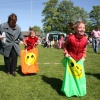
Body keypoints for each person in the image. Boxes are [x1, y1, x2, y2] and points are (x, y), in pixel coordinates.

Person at [61, 21, 88, 97]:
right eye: (80, 27)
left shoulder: (85, 40)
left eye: (83, 27)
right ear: (75, 29)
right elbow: (64, 45)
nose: (82, 29)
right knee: (70, 76)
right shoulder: (70, 38)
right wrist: (66, 52)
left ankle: (79, 90)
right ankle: (70, 90)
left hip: (80, 60)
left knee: (79, 75)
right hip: (71, 59)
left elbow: (84, 48)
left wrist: (84, 56)